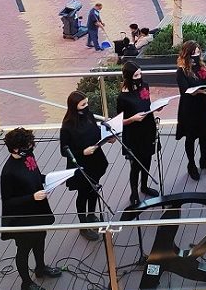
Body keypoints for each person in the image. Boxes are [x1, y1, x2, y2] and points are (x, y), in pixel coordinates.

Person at [0, 128, 62, 290]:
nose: (31, 147)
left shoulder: (28, 156)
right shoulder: (8, 172)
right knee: (24, 249)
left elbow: (34, 174)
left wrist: (49, 179)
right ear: (15, 149)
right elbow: (8, 201)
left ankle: (40, 267)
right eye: (28, 145)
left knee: (40, 238)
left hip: (37, 210)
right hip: (22, 217)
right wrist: (32, 197)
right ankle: (26, 284)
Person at [59, 91, 111, 241]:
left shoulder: (88, 115)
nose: (86, 106)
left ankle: (92, 215)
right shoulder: (67, 125)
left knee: (94, 188)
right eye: (83, 104)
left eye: (86, 103)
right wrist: (82, 151)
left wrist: (107, 138)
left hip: (95, 160)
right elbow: (64, 150)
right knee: (83, 194)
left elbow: (95, 133)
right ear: (74, 106)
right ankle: (83, 226)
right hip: (81, 164)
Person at [116, 62, 161, 204]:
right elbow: (119, 121)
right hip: (134, 133)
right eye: (136, 75)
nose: (139, 77)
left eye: (140, 74)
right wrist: (133, 119)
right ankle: (134, 191)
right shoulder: (122, 97)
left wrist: (155, 108)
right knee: (135, 165)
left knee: (147, 159)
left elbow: (147, 103)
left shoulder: (144, 86)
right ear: (129, 77)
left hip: (148, 127)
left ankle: (144, 186)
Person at [175, 41, 206, 180]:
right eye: (193, 53)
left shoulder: (203, 65)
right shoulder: (182, 70)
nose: (197, 55)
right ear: (187, 54)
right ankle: (191, 164)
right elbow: (184, 90)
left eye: (198, 52)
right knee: (191, 137)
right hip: (190, 107)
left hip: (204, 104)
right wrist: (198, 90)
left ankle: (204, 160)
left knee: (204, 134)